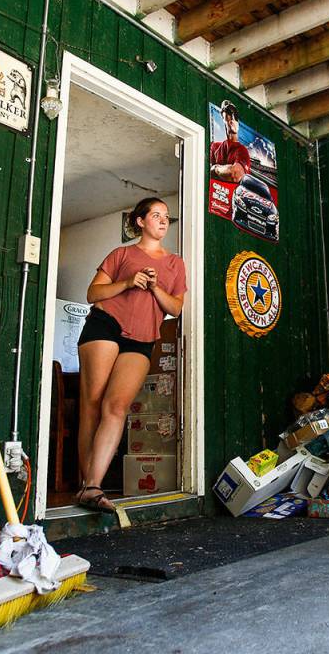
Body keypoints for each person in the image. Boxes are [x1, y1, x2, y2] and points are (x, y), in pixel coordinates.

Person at [74, 197, 187, 512]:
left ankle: (92, 487)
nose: (163, 221)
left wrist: (153, 288)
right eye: (156, 215)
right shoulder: (121, 254)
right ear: (140, 221)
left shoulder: (175, 263)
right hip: (104, 326)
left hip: (142, 338)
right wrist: (127, 282)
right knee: (93, 406)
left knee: (117, 407)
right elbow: (92, 293)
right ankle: (89, 486)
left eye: (166, 216)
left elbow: (176, 308)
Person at [209, 99, 250, 184]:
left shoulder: (242, 150)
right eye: (228, 116)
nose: (231, 120)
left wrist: (216, 168)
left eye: (234, 116)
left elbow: (235, 174)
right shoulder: (215, 146)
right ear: (223, 119)